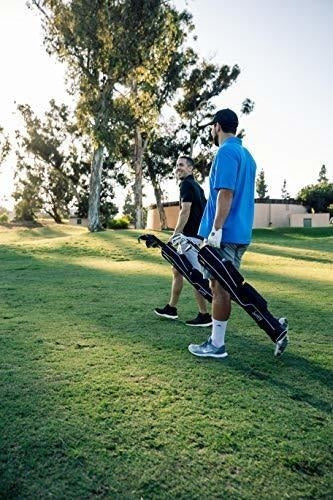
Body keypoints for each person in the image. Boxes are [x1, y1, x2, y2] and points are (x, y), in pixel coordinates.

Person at [188, 108, 288, 358]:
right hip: (239, 232)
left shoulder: (226, 152)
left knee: (221, 288)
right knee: (229, 287)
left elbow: (225, 193)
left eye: (212, 127)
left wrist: (216, 230)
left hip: (225, 233)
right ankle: (274, 325)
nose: (212, 131)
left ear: (218, 127)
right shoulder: (247, 155)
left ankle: (217, 345)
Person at [154, 156, 212, 327]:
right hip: (193, 237)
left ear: (190, 169)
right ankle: (171, 308)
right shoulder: (196, 187)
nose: (178, 167)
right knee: (177, 270)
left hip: (190, 238)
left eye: (181, 165)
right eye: (177, 165)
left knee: (195, 276)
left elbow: (185, 211)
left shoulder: (187, 184)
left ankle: (204, 315)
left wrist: (175, 234)